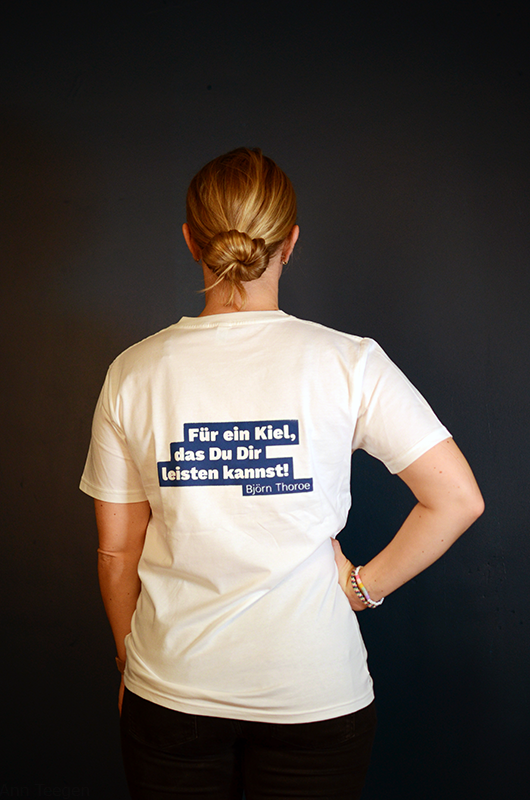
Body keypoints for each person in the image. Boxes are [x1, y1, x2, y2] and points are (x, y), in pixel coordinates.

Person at [80, 147, 484, 800]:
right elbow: (457, 499)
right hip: (315, 693)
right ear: (289, 242)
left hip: (173, 691)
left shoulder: (134, 371)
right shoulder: (348, 362)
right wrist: (363, 588)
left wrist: (131, 662)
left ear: (191, 241)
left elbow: (116, 551)